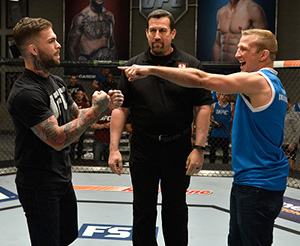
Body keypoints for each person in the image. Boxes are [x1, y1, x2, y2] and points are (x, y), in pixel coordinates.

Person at [120, 29, 290, 246]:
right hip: (251, 181)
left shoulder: (259, 82)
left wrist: (152, 69)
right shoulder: (276, 86)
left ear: (263, 55)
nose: (237, 54)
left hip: (258, 184)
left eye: (244, 49)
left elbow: (202, 79)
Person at [7, 17, 123, 246]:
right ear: (33, 49)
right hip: (38, 183)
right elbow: (57, 139)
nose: (59, 45)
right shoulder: (25, 93)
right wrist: (94, 114)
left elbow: (76, 116)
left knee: (67, 235)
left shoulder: (56, 82)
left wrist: (104, 108)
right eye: (51, 41)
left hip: (61, 175)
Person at [108, 9, 212, 246]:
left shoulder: (191, 65)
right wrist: (114, 148)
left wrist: (199, 148)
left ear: (172, 33)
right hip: (144, 148)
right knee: (143, 210)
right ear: (146, 33)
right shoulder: (132, 67)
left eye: (162, 31)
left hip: (178, 148)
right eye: (152, 30)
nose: (157, 36)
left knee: (175, 209)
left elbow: (203, 107)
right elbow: (121, 109)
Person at [209, 93, 234, 164]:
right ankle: (211, 164)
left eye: (226, 95)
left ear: (228, 97)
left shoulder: (230, 106)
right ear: (219, 96)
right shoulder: (214, 105)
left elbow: (233, 118)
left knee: (225, 151)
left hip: (225, 131)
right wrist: (214, 122)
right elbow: (208, 116)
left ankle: (225, 165)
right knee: (212, 150)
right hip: (215, 131)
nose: (224, 96)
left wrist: (231, 129)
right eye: (222, 95)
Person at [70, 90, 90, 160]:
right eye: (78, 94)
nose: (79, 96)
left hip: (82, 125)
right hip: (73, 125)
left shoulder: (85, 104)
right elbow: (70, 113)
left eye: (81, 94)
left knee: (80, 142)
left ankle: (79, 157)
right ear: (75, 95)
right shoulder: (72, 104)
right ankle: (71, 157)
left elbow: (87, 114)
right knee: (71, 143)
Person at [281, 98, 300, 171]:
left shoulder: (294, 115)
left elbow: (298, 130)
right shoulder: (283, 113)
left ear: (289, 104)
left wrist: (293, 143)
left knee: (290, 165)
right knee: (282, 163)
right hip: (282, 142)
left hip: (290, 143)